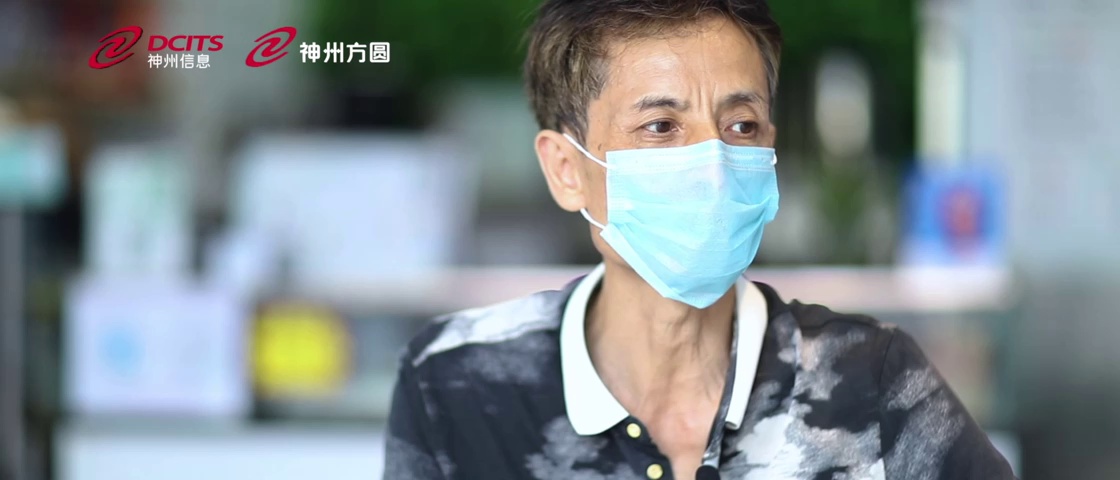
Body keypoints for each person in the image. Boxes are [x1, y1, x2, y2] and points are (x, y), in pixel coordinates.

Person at [384, 0, 1016, 478]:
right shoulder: (454, 384)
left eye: (741, 125)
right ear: (567, 170)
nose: (714, 164)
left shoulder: (872, 381)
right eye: (661, 126)